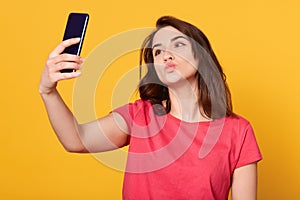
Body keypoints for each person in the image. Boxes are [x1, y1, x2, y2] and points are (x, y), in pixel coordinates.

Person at [39, 16, 262, 200]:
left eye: (178, 44)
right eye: (157, 51)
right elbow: (76, 140)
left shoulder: (238, 131)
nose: (166, 55)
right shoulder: (140, 116)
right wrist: (48, 92)